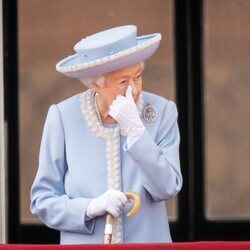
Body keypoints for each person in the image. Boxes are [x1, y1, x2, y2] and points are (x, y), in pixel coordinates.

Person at [30, 25, 182, 244]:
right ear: (95, 84)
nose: (134, 90)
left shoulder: (161, 112)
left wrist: (137, 133)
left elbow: (167, 187)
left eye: (137, 77)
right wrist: (89, 207)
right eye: (123, 82)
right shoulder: (63, 117)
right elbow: (42, 201)